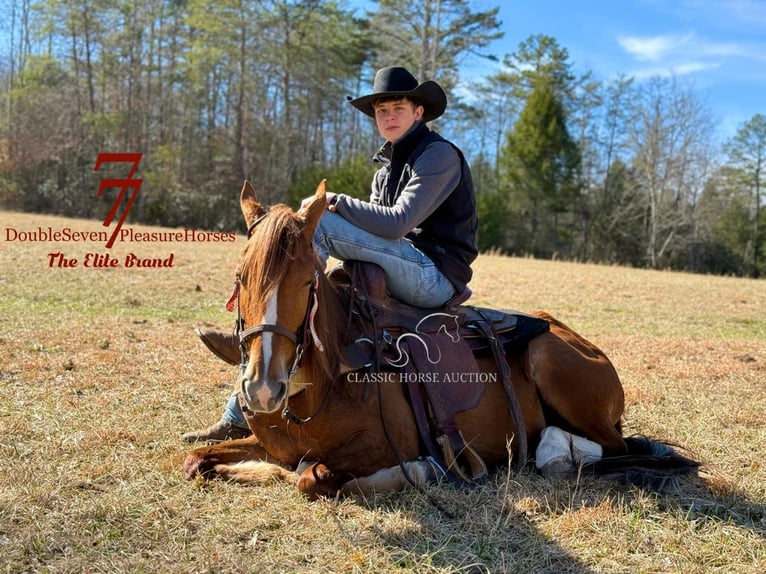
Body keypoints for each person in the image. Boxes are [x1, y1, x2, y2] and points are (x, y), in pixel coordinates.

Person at [182, 66, 478, 443]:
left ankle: (277, 324)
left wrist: (334, 202)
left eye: (397, 108)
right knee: (318, 281)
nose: (388, 116)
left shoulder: (438, 156)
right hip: (399, 267)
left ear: (418, 112)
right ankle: (261, 350)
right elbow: (371, 236)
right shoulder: (384, 172)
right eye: (381, 110)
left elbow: (396, 224)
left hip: (433, 276)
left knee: (316, 227)